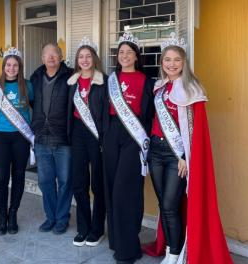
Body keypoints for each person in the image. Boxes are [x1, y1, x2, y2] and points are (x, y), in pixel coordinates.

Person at [142, 33, 234, 264]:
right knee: (164, 203)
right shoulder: (159, 87)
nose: (171, 64)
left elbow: (196, 130)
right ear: (162, 62)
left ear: (184, 62)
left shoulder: (193, 89)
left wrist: (185, 156)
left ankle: (174, 253)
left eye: (176, 60)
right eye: (167, 60)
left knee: (170, 204)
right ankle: (170, 247)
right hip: (156, 151)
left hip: (177, 157)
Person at [102, 32, 155, 263]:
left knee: (126, 191)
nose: (124, 56)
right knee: (112, 189)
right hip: (111, 133)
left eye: (129, 52)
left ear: (136, 56)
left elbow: (151, 115)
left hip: (135, 136)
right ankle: (117, 241)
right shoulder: (110, 79)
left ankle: (128, 249)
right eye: (121, 52)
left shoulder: (148, 81)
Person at [67, 37, 108, 247]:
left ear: (94, 59)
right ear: (77, 60)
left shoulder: (104, 81)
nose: (84, 60)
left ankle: (97, 228)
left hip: (97, 134)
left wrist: (105, 137)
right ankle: (83, 227)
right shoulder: (72, 82)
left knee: (98, 184)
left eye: (88, 56)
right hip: (77, 132)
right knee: (79, 182)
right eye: (81, 57)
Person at [0, 47, 34, 236]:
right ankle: (2, 216)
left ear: (19, 67)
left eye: (15, 65)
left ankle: (13, 214)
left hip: (21, 137)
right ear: (4, 66)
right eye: (9, 64)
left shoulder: (28, 86)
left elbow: (36, 109)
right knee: (1, 179)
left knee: (18, 177)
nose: (12, 68)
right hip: (0, 136)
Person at [30, 43, 74, 235]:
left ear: (61, 57)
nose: (51, 58)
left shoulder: (71, 76)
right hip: (41, 137)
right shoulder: (36, 77)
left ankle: (62, 218)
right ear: (42, 58)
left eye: (55, 54)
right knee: (45, 181)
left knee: (65, 181)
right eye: (47, 55)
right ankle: (51, 217)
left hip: (63, 137)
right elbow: (33, 102)